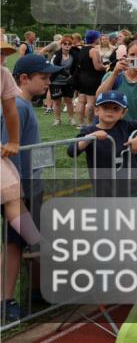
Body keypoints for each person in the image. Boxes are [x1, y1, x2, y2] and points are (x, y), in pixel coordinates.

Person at [3, 55, 59, 321]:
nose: (49, 82)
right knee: (17, 243)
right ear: (23, 79)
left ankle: (38, 289)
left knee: (30, 239)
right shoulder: (18, 108)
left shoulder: (24, 105)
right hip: (20, 186)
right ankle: (6, 299)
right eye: (44, 78)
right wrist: (18, 193)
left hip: (31, 182)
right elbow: (7, 151)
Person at [67, 91, 137, 196]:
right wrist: (90, 137)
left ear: (123, 113)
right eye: (105, 107)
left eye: (115, 108)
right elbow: (71, 151)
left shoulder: (124, 125)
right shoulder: (88, 131)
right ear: (96, 110)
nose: (110, 111)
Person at [95, 39, 137, 123]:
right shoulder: (113, 76)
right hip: (113, 128)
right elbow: (99, 96)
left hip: (135, 129)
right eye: (132, 54)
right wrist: (114, 73)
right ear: (126, 56)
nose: (135, 58)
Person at [73, 30, 107, 127]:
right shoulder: (94, 50)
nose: (100, 39)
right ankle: (89, 123)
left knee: (81, 101)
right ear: (95, 39)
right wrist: (107, 67)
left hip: (82, 77)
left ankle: (80, 123)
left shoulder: (83, 49)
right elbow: (97, 67)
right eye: (99, 37)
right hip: (92, 78)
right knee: (91, 102)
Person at [49, 37, 78, 126]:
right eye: (65, 44)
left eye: (69, 44)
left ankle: (71, 119)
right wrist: (68, 75)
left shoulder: (74, 55)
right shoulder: (56, 54)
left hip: (69, 82)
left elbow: (77, 66)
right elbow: (55, 67)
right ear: (61, 45)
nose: (67, 46)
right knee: (57, 101)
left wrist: (72, 77)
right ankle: (57, 120)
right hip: (56, 81)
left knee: (69, 100)